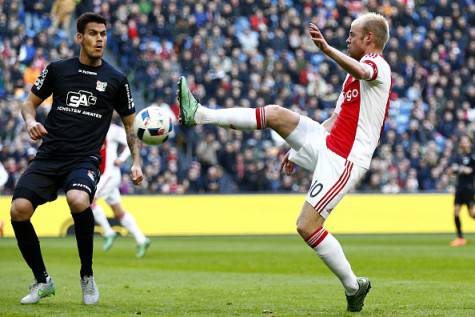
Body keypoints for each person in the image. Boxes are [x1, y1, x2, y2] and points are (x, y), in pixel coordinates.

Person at [177, 12, 391, 312]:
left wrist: (328, 50)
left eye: (352, 35)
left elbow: (364, 72)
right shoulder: (352, 76)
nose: (347, 39)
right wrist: (298, 149)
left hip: (346, 159)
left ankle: (354, 287)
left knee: (307, 226)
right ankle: (199, 114)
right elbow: (335, 119)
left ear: (368, 38)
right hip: (328, 143)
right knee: (276, 114)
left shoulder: (377, 66)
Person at [10, 12, 143, 305]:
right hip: (49, 156)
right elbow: (28, 105)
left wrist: (136, 162)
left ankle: (87, 275)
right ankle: (42, 280)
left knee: (78, 200)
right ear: (79, 37)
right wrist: (30, 122)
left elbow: (131, 125)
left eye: (103, 34)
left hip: (84, 159)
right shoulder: (57, 70)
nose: (100, 39)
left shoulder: (117, 80)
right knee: (18, 209)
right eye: (93, 33)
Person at [92, 120, 150, 257]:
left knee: (89, 201)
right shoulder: (93, 127)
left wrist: (122, 158)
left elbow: (133, 140)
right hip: (102, 176)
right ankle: (142, 239)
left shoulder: (112, 129)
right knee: (119, 212)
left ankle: (108, 232)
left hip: (110, 175)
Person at [449, 135, 475, 246]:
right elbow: (452, 170)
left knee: (471, 214)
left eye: (465, 141)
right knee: (456, 212)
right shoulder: (457, 156)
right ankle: (460, 238)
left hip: (469, 188)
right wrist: (460, 169)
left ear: (469, 143)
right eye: (462, 141)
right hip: (459, 188)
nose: (463, 143)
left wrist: (461, 169)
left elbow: (470, 171)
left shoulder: (473, 156)